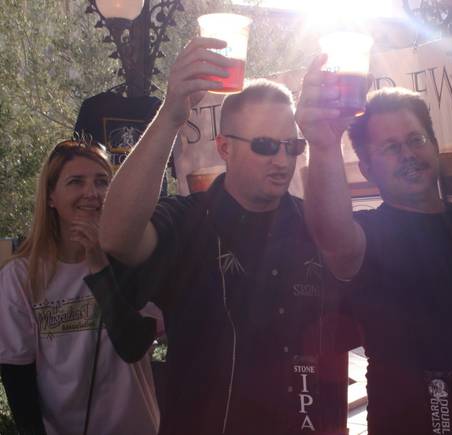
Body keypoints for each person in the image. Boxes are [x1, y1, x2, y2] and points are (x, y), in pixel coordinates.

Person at [99, 37, 350, 435]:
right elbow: (117, 237)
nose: (282, 159)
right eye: (265, 146)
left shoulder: (314, 224)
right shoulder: (190, 221)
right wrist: (170, 117)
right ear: (224, 148)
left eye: (292, 146)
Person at [295, 55, 452, 434]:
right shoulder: (368, 234)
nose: (409, 154)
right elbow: (331, 234)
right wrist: (323, 145)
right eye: (390, 148)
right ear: (366, 169)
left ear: (434, 145)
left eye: (416, 140)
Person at [0, 139, 159, 435]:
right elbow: (17, 377)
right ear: (51, 196)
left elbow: (136, 344)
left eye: (102, 181)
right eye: (76, 182)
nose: (92, 193)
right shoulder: (20, 276)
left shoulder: (133, 259)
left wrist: (99, 264)